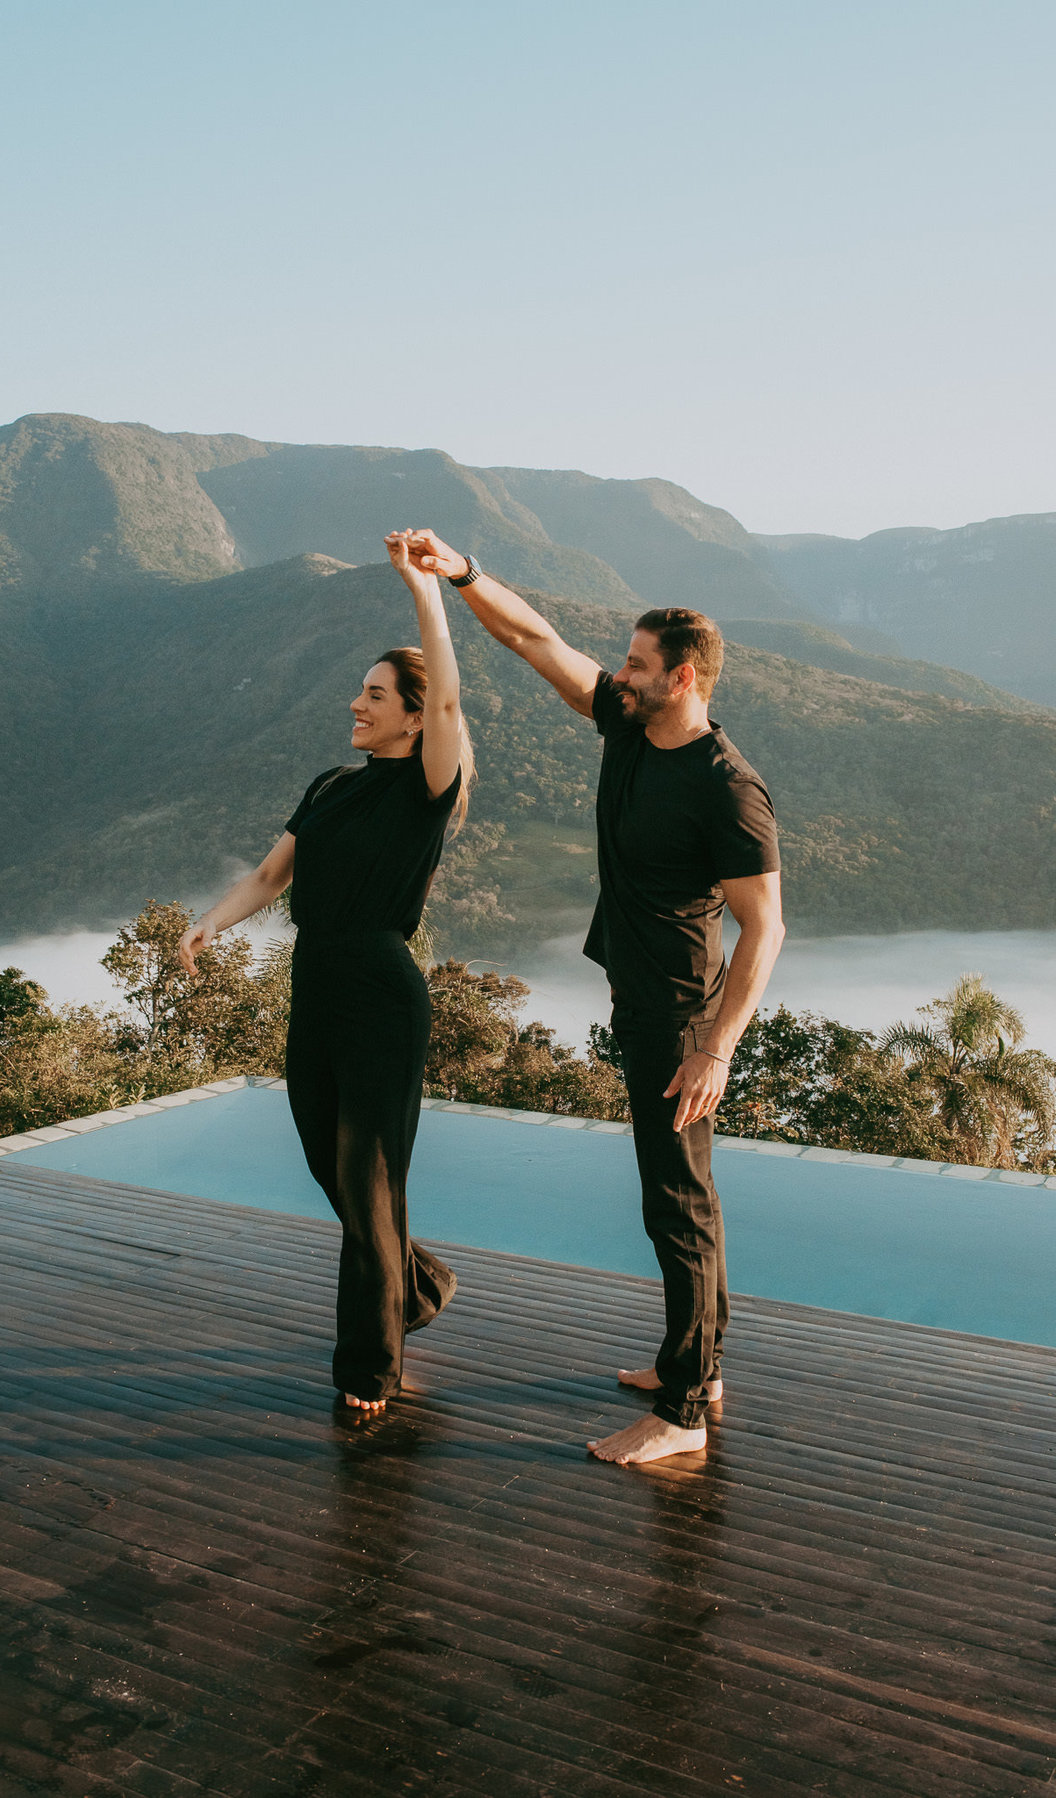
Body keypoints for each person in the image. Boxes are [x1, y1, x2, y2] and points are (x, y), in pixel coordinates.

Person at [396, 529, 785, 1465]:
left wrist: (714, 1047)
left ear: (684, 677)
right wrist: (466, 575)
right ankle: (702, 1363)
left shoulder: (729, 791)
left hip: (684, 1016)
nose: (621, 671)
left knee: (676, 1203)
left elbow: (765, 930)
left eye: (639, 663)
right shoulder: (629, 721)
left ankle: (684, 1415)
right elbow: (536, 643)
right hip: (642, 996)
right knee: (685, 1192)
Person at [178, 533, 473, 1415]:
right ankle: (414, 1286)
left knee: (369, 1178)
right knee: (329, 1166)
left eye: (375, 694)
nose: (356, 703)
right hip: (315, 983)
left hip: (382, 988)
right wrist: (208, 924)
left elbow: (451, 689)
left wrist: (426, 591)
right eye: (361, 691)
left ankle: (367, 1369)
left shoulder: (430, 785)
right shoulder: (331, 785)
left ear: (415, 716)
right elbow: (272, 877)